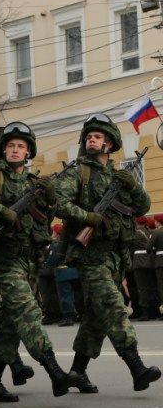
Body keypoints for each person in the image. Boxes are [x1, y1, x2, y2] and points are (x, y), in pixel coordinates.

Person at [0, 122, 80, 398]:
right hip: (4, 261)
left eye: (20, 146)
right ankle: (55, 372)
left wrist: (50, 198)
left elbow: (46, 219)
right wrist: (2, 211)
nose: (15, 150)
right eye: (10, 146)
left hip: (29, 262)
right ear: (3, 150)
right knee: (29, 316)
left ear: (28, 151)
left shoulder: (33, 183)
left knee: (9, 325)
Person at [55, 113, 161, 392]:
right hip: (91, 257)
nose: (92, 140)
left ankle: (77, 371)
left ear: (110, 144)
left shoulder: (118, 176)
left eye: (98, 137)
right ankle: (137, 369)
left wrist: (132, 185)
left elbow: (141, 207)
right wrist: (88, 217)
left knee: (95, 317)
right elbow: (57, 201)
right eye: (89, 136)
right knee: (114, 310)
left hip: (116, 257)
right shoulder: (79, 172)